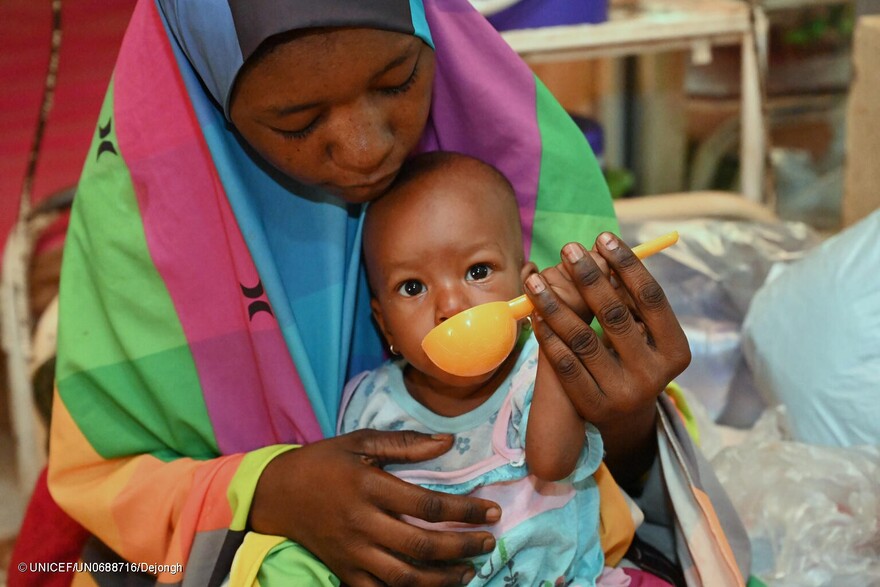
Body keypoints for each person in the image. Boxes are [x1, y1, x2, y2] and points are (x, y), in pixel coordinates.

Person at [40, 0, 749, 585]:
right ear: (211, 98)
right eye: (297, 121)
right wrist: (270, 492)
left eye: (397, 82)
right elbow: (105, 489)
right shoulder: (146, 245)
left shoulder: (509, 181)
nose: (366, 146)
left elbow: (614, 485)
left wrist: (626, 418)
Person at [336, 150, 647, 586]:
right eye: (413, 287)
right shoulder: (370, 403)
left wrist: (555, 329)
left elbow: (553, 463)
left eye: (477, 271)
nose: (450, 305)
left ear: (526, 288)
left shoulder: (539, 369)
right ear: (384, 322)